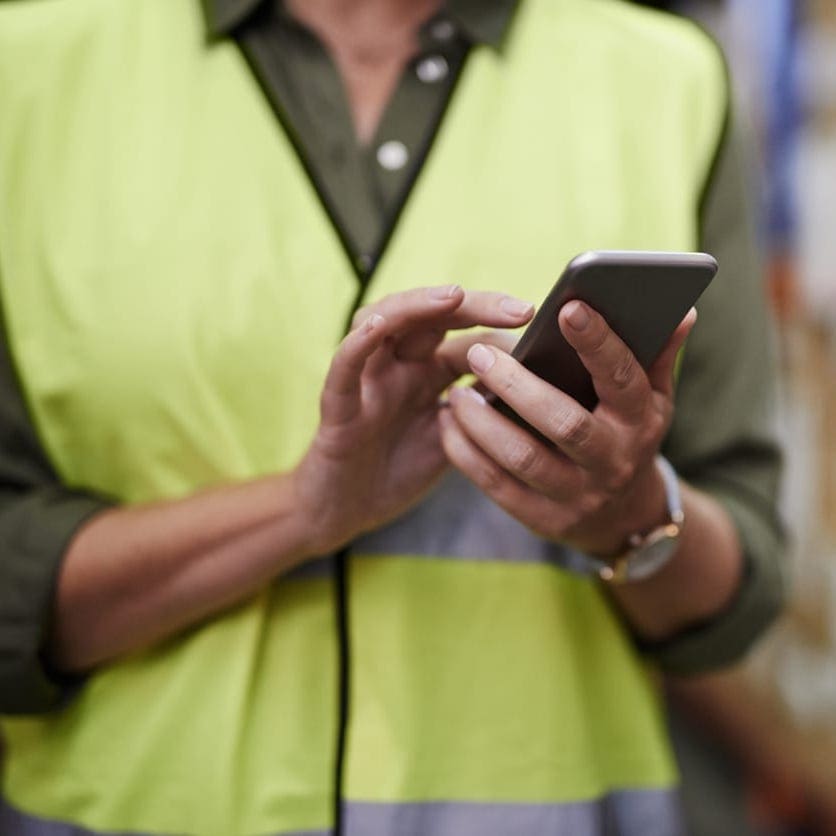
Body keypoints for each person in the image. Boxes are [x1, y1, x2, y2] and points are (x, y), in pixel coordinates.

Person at [0, 0, 784, 834]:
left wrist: (627, 511)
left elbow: (738, 590)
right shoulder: (30, 62)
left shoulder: (668, 76)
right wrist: (303, 511)